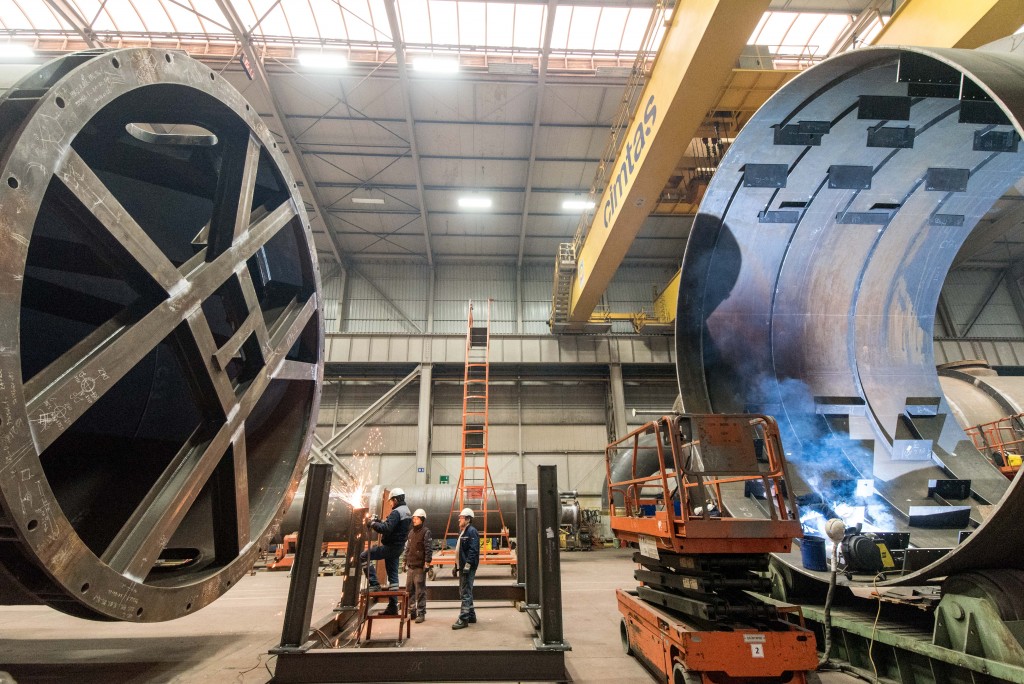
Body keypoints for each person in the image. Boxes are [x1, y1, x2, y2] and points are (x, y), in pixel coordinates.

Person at [362, 487, 412, 615]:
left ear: (395, 500)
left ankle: (374, 584)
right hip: (398, 547)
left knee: (364, 556)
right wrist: (379, 521)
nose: (390, 504)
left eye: (391, 501)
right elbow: (392, 526)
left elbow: (386, 529)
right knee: (393, 578)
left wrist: (372, 524)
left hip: (391, 547)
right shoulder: (406, 511)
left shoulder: (396, 512)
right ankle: (393, 607)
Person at [451, 507, 480, 630]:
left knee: (465, 592)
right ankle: (471, 615)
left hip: (468, 567)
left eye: (461, 518)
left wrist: (468, 565)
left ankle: (463, 619)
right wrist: (456, 566)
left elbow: (473, 550)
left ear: (468, 519)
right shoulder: (462, 532)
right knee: (465, 591)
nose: (459, 520)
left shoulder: (472, 532)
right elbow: (459, 551)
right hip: (462, 566)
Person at [404, 508, 432, 623]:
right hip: (411, 566)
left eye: (416, 518)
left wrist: (427, 563)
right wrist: (404, 561)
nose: (414, 520)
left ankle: (421, 613)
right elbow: (407, 548)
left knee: (420, 591)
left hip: (419, 567)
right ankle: (412, 611)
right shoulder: (411, 533)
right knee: (409, 590)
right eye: (413, 518)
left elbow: (428, 549)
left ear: (422, 519)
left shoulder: (426, 532)